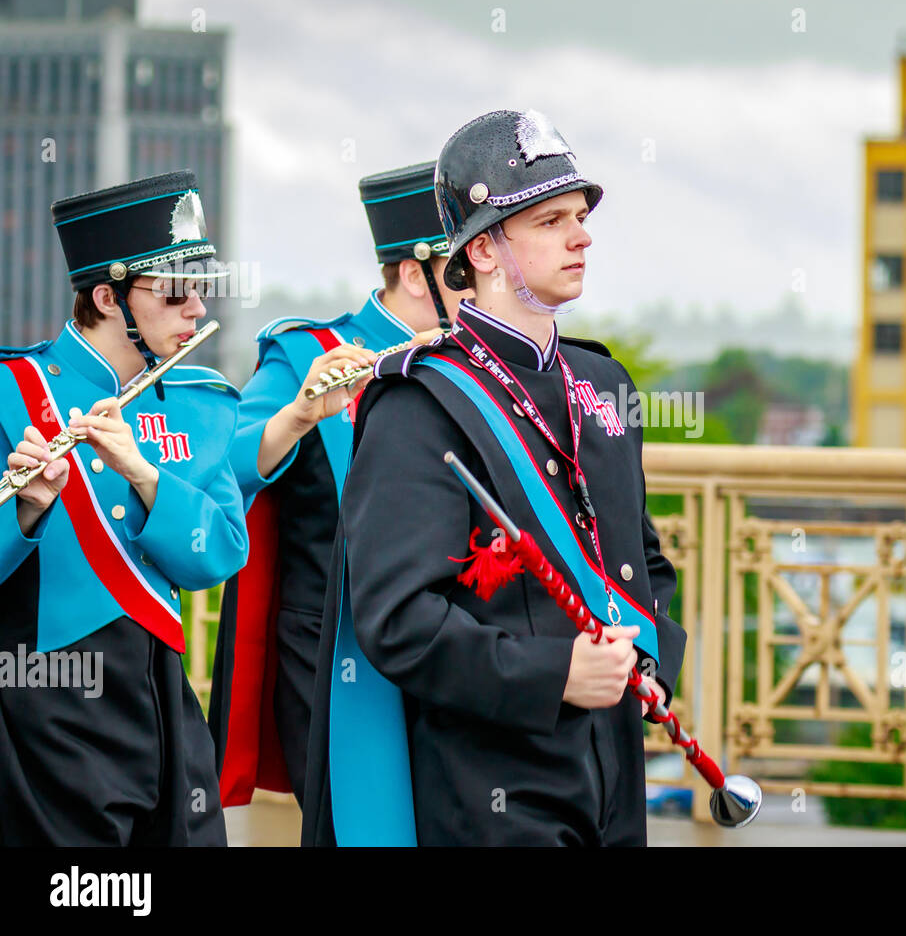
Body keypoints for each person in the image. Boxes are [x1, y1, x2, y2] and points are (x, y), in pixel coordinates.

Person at [302, 109, 687, 846]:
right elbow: (400, 621)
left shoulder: (604, 383)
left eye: (579, 216)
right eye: (549, 221)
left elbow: (646, 562)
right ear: (482, 250)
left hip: (615, 776)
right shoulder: (419, 400)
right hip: (490, 792)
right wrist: (552, 676)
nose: (582, 236)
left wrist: (656, 660)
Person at [210, 160, 472, 807]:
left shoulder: (475, 357)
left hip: (451, 646)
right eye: (461, 269)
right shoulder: (307, 353)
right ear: (414, 273)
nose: (481, 280)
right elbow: (227, 464)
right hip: (332, 655)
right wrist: (298, 413)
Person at [0, 170, 248, 845]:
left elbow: (220, 555)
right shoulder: (9, 392)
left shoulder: (203, 399)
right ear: (108, 298)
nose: (195, 309)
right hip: (44, 708)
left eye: (201, 289)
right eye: (174, 293)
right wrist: (26, 509)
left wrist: (145, 477)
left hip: (166, 700)